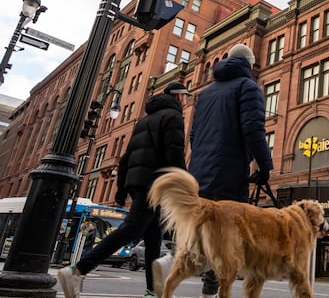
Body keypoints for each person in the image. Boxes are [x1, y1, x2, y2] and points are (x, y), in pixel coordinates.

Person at [58, 81, 190, 298]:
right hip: (155, 185)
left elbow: (126, 159)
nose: (185, 100)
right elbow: (174, 152)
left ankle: (154, 290)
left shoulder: (144, 121)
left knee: (153, 236)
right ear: (178, 97)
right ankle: (78, 270)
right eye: (183, 96)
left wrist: (121, 189)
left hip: (140, 183)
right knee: (132, 229)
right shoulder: (173, 118)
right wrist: (184, 182)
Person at [182, 43, 273, 298]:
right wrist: (265, 165)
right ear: (249, 63)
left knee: (204, 235)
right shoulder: (248, 87)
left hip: (199, 175)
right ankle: (210, 291)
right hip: (229, 174)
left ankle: (174, 269)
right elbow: (254, 130)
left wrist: (199, 162)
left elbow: (194, 135)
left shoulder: (206, 94)